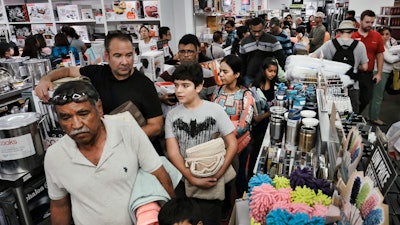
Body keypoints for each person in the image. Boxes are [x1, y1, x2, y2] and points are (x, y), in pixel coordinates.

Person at [45, 80, 174, 225]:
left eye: (83, 113)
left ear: (99, 108)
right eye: (66, 117)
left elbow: (162, 178)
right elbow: (59, 206)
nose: (76, 124)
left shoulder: (128, 132)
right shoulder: (54, 156)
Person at [35, 32, 164, 140]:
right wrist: (46, 79)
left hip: (134, 145)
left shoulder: (144, 85)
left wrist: (123, 138)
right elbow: (68, 71)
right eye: (118, 56)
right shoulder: (97, 73)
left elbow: (156, 126)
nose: (125, 62)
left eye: (129, 55)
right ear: (107, 56)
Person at [165, 61, 237, 224]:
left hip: (211, 177)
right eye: (176, 85)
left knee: (210, 219)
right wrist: (190, 177)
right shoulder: (172, 115)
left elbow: (232, 144)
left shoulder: (216, 111)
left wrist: (218, 175)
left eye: (185, 85)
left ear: (198, 87)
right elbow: (173, 152)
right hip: (185, 181)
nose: (179, 90)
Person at [211, 54, 255, 197]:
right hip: (218, 144)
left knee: (239, 176)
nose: (221, 75)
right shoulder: (217, 92)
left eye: (225, 71)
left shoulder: (246, 95)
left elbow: (244, 124)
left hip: (240, 144)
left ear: (236, 74)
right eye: (220, 71)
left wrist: (224, 137)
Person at [312, 20, 368, 113]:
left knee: (332, 112)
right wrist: (353, 68)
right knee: (351, 113)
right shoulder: (360, 45)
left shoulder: (329, 44)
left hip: (332, 85)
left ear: (339, 32)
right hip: (352, 85)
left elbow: (313, 56)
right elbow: (365, 67)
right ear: (353, 32)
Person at [157, 34, 217, 104]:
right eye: (182, 52)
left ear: (198, 51)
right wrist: (161, 99)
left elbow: (213, 100)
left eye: (190, 51)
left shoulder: (207, 75)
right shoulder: (168, 74)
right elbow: (153, 95)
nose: (186, 55)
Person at [247, 57, 277, 178]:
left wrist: (266, 114)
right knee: (256, 152)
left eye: (275, 71)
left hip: (268, 125)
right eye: (270, 71)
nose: (272, 74)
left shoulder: (276, 86)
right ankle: (252, 177)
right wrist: (267, 113)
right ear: (264, 70)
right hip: (257, 127)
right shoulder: (254, 87)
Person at [351, 10, 385, 115]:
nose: (369, 24)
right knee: (352, 99)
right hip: (353, 73)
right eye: (367, 22)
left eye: (372, 22)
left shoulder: (376, 36)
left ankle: (356, 115)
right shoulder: (352, 36)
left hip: (368, 75)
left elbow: (380, 55)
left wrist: (379, 73)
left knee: (366, 99)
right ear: (360, 21)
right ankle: (352, 117)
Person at [239, 17, 286, 86]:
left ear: (264, 28)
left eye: (259, 31)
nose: (256, 34)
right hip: (250, 77)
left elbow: (281, 59)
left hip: (267, 78)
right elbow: (242, 62)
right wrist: (242, 77)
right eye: (254, 31)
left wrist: (276, 75)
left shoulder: (272, 40)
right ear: (250, 29)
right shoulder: (244, 42)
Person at [369, 27, 400, 126]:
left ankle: (372, 116)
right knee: (378, 96)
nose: (385, 36)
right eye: (382, 34)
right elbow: (389, 59)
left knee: (376, 96)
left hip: (383, 72)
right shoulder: (380, 44)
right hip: (380, 72)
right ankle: (374, 118)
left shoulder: (387, 44)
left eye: (387, 34)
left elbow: (390, 51)